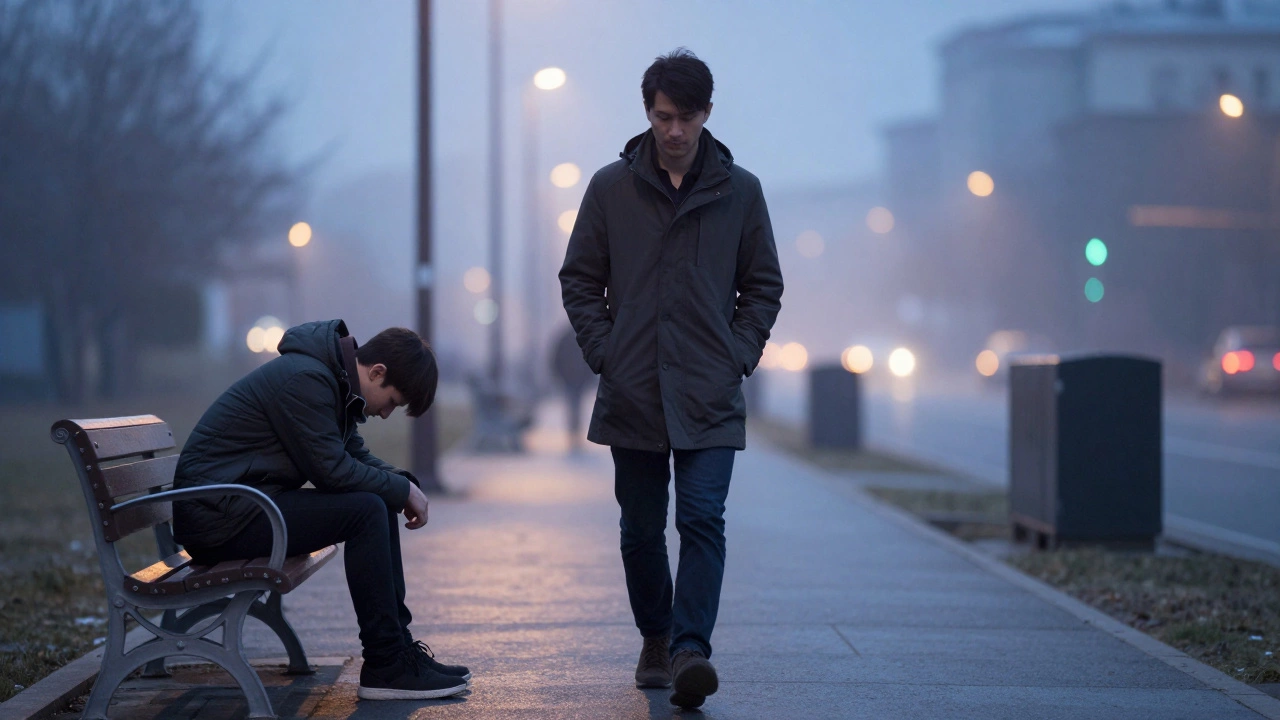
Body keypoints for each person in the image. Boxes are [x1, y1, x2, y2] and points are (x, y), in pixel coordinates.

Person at [558, 49, 783, 709]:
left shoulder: (740, 192)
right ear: (647, 112)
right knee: (639, 528)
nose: (674, 130)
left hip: (710, 392)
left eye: (685, 117)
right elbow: (578, 279)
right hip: (634, 390)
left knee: (703, 519)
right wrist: (607, 350)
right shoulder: (610, 188)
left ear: (706, 114)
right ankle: (655, 638)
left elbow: (762, 286)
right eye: (662, 116)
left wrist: (737, 353)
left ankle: (691, 652)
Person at [172, 319, 470, 701]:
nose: (385, 413)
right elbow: (332, 472)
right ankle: (386, 662)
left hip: (242, 507)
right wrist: (400, 490)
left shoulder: (331, 381)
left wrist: (403, 483)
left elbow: (352, 455)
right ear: (377, 372)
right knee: (366, 509)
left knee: (376, 501)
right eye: (393, 401)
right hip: (220, 520)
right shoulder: (306, 380)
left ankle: (396, 651)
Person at [550, 324, 595, 453]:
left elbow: (555, 359)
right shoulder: (580, 339)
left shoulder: (565, 340)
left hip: (573, 380)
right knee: (575, 408)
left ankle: (574, 435)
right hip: (574, 380)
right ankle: (575, 435)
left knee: (573, 408)